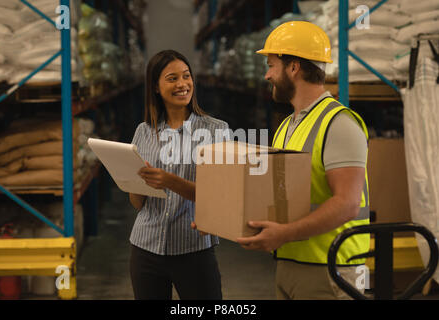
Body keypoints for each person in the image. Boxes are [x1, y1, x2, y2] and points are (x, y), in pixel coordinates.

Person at [236, 21, 371, 300]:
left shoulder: (339, 124)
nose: (267, 75)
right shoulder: (288, 125)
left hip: (331, 269)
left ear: (293, 67)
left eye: (271, 65)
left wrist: (285, 233)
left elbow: (346, 204)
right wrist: (220, 217)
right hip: (290, 263)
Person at [128, 49, 228, 300]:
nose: (182, 84)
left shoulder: (216, 131)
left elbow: (220, 198)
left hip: (193, 249)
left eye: (186, 76)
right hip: (145, 247)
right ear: (155, 87)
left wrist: (170, 181)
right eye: (172, 78)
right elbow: (137, 203)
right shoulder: (144, 131)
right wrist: (132, 180)